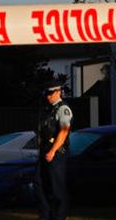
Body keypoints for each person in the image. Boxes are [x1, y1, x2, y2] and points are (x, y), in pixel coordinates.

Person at [35, 83, 72, 220]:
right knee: (39, 183)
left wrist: (52, 151)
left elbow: (63, 131)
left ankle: (59, 217)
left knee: (57, 188)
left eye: (51, 93)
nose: (48, 96)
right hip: (45, 151)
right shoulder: (48, 110)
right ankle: (45, 216)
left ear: (58, 92)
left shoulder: (63, 109)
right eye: (47, 93)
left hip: (57, 153)